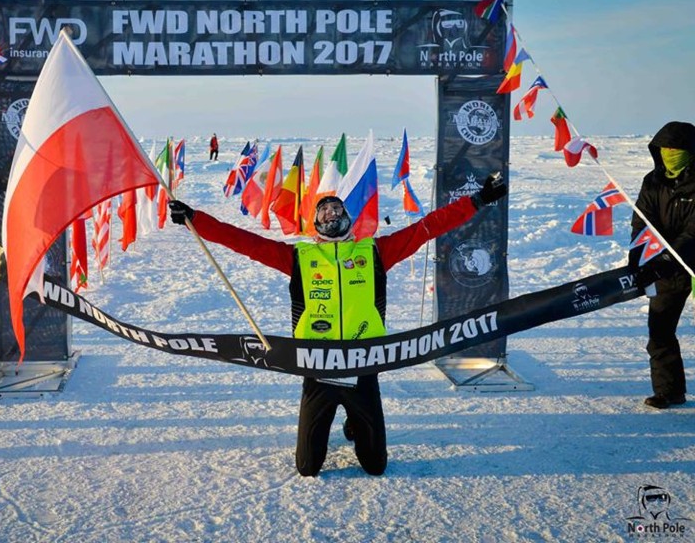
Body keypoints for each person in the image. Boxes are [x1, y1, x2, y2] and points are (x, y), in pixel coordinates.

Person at [169, 173, 506, 476]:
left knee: (375, 466)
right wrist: (196, 220)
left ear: (348, 218)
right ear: (315, 223)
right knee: (308, 467)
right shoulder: (300, 258)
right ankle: (341, 422)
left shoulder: (375, 252)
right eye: (324, 210)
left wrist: (477, 200)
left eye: (337, 209)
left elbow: (428, 228)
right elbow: (244, 242)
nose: (331, 213)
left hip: (364, 364)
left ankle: (356, 424)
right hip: (318, 366)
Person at [629, 121, 695, 410]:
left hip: (686, 261)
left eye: (675, 148)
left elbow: (694, 232)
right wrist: (638, 260)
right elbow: (642, 222)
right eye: (665, 148)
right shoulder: (653, 181)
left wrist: (669, 257)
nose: (669, 152)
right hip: (666, 270)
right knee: (660, 331)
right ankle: (669, 392)